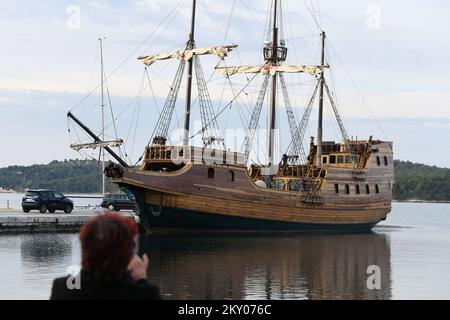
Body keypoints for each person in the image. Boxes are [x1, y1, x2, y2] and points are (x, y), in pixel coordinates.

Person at [50, 212, 161, 300]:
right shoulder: (146, 294)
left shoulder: (63, 289)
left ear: (85, 248)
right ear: (128, 254)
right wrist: (141, 280)